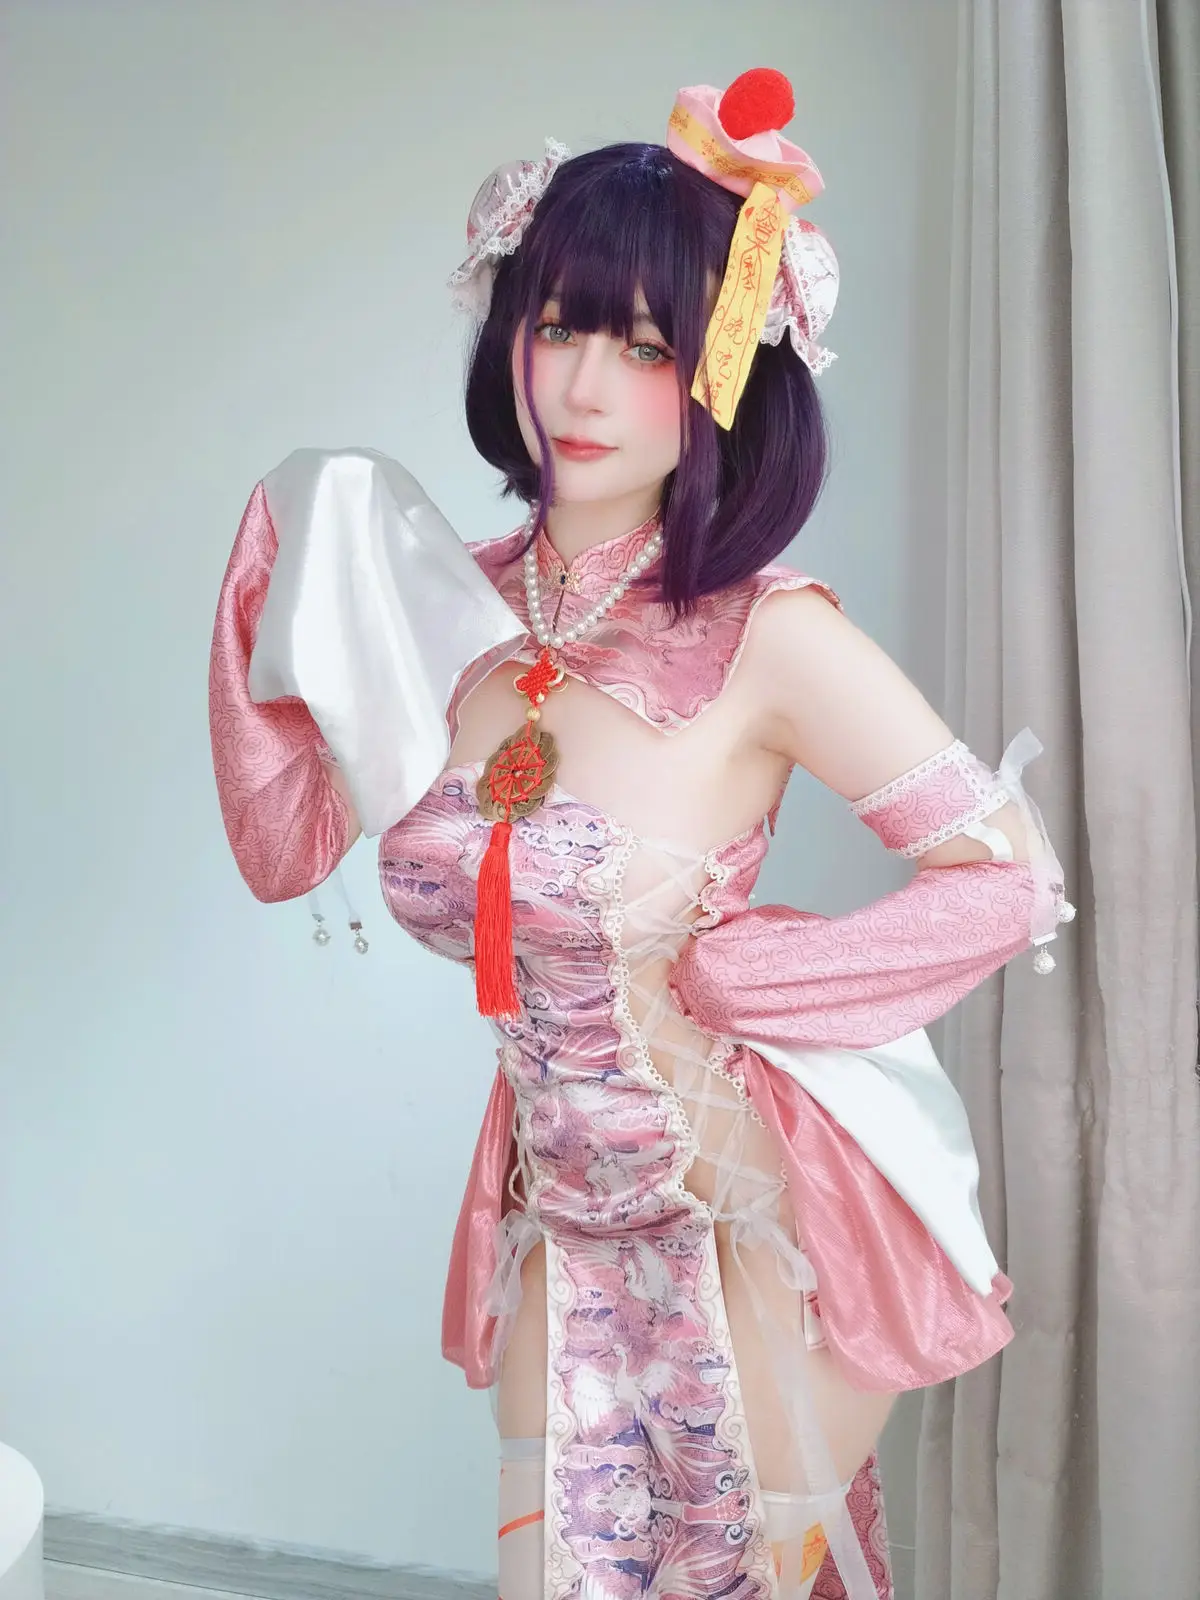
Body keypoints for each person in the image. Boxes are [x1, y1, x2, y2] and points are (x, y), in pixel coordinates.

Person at [209, 68, 1072, 1600]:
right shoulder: (434, 611)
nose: (585, 388)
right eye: (558, 327)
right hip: (560, 1221)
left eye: (648, 345)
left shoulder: (769, 637)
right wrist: (277, 589)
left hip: (764, 1226)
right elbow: (286, 853)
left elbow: (1013, 881)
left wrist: (770, 977)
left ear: (725, 366)